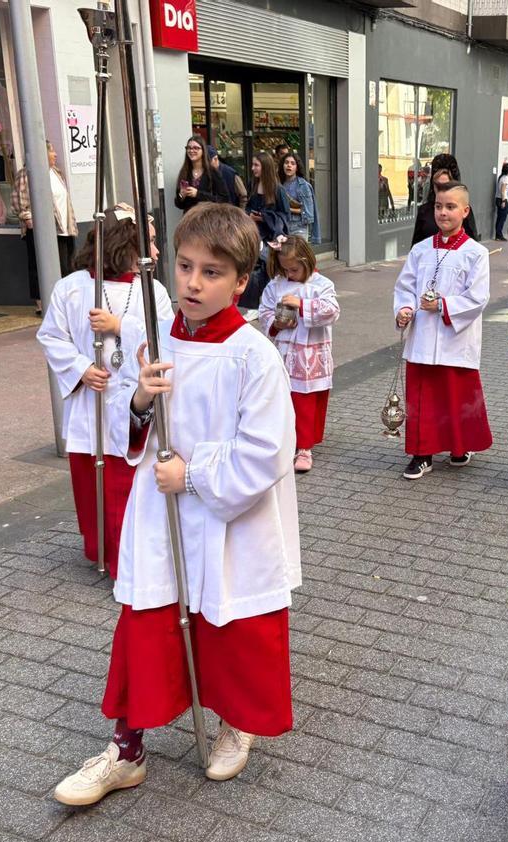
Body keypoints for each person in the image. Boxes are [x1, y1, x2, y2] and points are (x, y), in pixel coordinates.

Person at [52, 203, 300, 805]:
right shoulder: (155, 340)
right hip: (160, 511)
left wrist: (193, 474)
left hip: (225, 516)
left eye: (212, 272)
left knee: (231, 623)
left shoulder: (253, 356)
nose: (192, 282)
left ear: (243, 282)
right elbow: (125, 425)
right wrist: (139, 402)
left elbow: (268, 452)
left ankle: (234, 723)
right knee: (148, 617)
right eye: (185, 267)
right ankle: (126, 747)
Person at [36, 204, 173, 577]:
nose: (157, 253)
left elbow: (164, 338)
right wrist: (80, 369)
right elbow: (50, 336)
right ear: (122, 243)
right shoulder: (72, 288)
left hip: (132, 403)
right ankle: (102, 550)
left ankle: (132, 560)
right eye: (149, 243)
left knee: (131, 485)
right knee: (94, 485)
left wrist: (119, 325)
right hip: (90, 405)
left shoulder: (153, 290)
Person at [393, 180, 492, 479]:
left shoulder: (476, 253)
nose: (443, 213)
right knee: (423, 398)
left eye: (450, 207)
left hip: (455, 338)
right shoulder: (421, 250)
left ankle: (458, 447)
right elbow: (405, 286)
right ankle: (422, 454)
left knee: (455, 396)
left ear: (465, 210)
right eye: (438, 206)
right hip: (423, 337)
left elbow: (478, 297)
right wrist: (404, 309)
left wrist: (444, 306)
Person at [258, 235, 339, 473]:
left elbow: (332, 311)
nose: (290, 274)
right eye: (286, 269)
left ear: (307, 261)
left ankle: (304, 447)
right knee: (284, 397)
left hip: (312, 353)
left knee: (307, 400)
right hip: (286, 351)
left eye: (294, 269)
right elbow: (264, 311)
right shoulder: (275, 285)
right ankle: (283, 441)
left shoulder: (322, 284)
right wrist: (276, 324)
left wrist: (302, 305)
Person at [13, 141, 78, 315]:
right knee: (38, 266)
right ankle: (42, 304)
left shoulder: (57, 173)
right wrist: (29, 219)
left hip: (64, 227)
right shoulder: (26, 174)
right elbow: (20, 203)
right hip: (42, 230)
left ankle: (66, 302)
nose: (55, 154)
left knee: (66, 266)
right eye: (51, 151)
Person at [411, 153, 480, 246]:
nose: (442, 190)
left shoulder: (462, 210)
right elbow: (416, 248)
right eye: (438, 185)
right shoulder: (424, 211)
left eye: (446, 186)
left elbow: (472, 245)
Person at [175, 137, 229, 214]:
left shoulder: (212, 172)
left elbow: (224, 199)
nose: (191, 150)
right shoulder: (184, 172)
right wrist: (181, 196)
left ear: (203, 150)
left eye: (196, 148)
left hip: (208, 219)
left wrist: (198, 194)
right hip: (189, 220)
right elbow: (179, 205)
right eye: (189, 148)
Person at [247, 151, 291, 243]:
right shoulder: (252, 185)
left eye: (256, 165)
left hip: (272, 236)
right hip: (254, 234)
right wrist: (249, 214)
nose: (252, 168)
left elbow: (285, 215)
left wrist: (264, 218)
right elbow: (248, 206)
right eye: (252, 165)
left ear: (265, 167)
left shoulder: (278, 189)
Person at [279, 151, 318, 243]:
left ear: (297, 168)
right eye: (286, 163)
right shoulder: (279, 184)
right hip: (282, 228)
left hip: (298, 228)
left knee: (298, 256)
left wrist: (287, 209)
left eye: (292, 163)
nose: (289, 165)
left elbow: (308, 212)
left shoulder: (303, 185)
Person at [495, 162, 508, 240]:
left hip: (497, 198)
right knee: (502, 218)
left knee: (499, 217)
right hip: (502, 199)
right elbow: (503, 190)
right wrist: (503, 201)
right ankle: (499, 235)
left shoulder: (500, 177)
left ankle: (497, 234)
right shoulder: (505, 178)